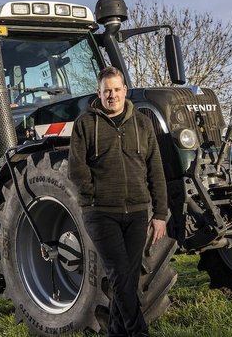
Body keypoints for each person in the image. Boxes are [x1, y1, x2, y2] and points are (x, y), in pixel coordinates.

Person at [68, 66, 168, 336]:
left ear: (125, 90)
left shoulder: (143, 124)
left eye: (116, 89)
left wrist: (160, 214)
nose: (111, 95)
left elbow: (155, 169)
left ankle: (116, 332)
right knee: (121, 275)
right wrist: (92, 198)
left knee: (126, 279)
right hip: (101, 214)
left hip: (136, 213)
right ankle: (140, 332)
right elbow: (76, 170)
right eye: (106, 91)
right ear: (99, 94)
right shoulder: (85, 124)